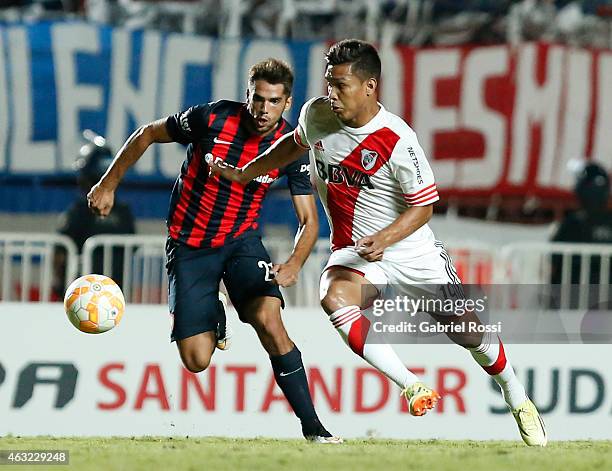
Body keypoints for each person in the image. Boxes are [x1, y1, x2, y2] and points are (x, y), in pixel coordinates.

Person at [208, 39, 547, 447]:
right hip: (356, 251)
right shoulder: (317, 113)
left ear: (370, 87)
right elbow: (293, 144)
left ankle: (515, 394)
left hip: (411, 251)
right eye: (329, 83)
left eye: (342, 86)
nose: (332, 94)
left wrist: (385, 238)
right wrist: (246, 174)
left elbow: (423, 208)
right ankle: (411, 385)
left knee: (468, 333)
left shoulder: (397, 139)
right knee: (334, 298)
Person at [87, 59, 340, 443]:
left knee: (270, 321)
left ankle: (314, 429)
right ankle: (215, 311)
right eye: (257, 99)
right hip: (189, 246)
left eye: (273, 102)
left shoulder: (290, 146)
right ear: (247, 95)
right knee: (197, 360)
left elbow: (309, 220)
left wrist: (294, 263)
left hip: (242, 243)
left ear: (287, 103)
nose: (262, 110)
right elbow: (146, 134)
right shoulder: (211, 118)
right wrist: (109, 183)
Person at [53, 132, 135, 300]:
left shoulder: (79, 211)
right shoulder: (123, 212)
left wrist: (59, 285)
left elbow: (60, 255)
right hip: (112, 294)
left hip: (83, 294)